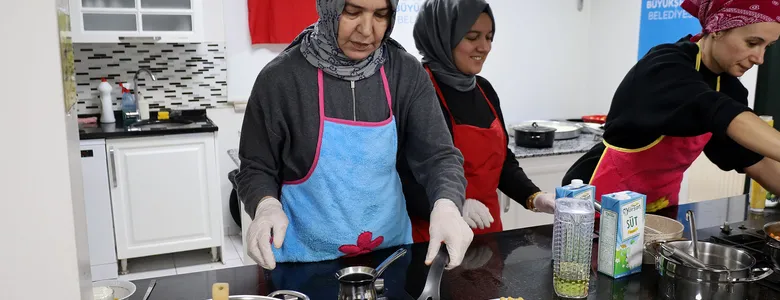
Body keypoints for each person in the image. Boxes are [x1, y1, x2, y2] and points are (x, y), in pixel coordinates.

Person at [236, 0, 473, 270]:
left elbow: (438, 155)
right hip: (303, 261)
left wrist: (447, 204)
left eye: (380, 15)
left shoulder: (404, 72)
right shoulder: (280, 78)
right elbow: (256, 166)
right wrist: (265, 205)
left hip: (390, 257)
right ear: (329, 8)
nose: (367, 30)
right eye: (352, 12)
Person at [563, 0, 780, 213]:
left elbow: (753, 161)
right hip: (599, 200)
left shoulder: (730, 88)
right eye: (752, 43)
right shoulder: (666, 65)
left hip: (659, 205)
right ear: (718, 30)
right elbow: (718, 111)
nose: (760, 58)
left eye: (767, 47)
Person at [398, 0, 556, 242]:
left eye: (489, 37)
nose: (484, 47)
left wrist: (535, 197)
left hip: (488, 235)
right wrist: (453, 205)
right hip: (434, 237)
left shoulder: (484, 90)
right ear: (442, 36)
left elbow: (502, 162)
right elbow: (402, 175)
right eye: (472, 37)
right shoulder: (418, 90)